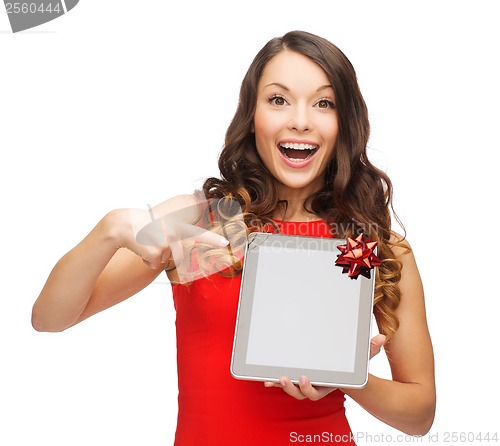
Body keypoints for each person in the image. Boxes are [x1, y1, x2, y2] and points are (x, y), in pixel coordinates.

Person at [32, 30, 436, 445]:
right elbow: (50, 318)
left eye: (324, 103)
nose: (300, 119)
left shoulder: (364, 245)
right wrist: (111, 228)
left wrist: (347, 377)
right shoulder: (212, 224)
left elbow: (419, 415)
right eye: (278, 99)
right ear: (252, 114)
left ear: (344, 122)